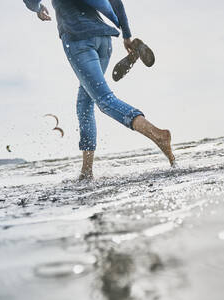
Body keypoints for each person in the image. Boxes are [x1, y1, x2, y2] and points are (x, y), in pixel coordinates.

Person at [23, 0, 175, 180]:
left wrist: (38, 9)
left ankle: (158, 135)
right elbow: (115, 2)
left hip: (78, 41)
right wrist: (126, 34)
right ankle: (86, 172)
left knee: (104, 100)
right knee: (84, 104)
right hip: (103, 39)